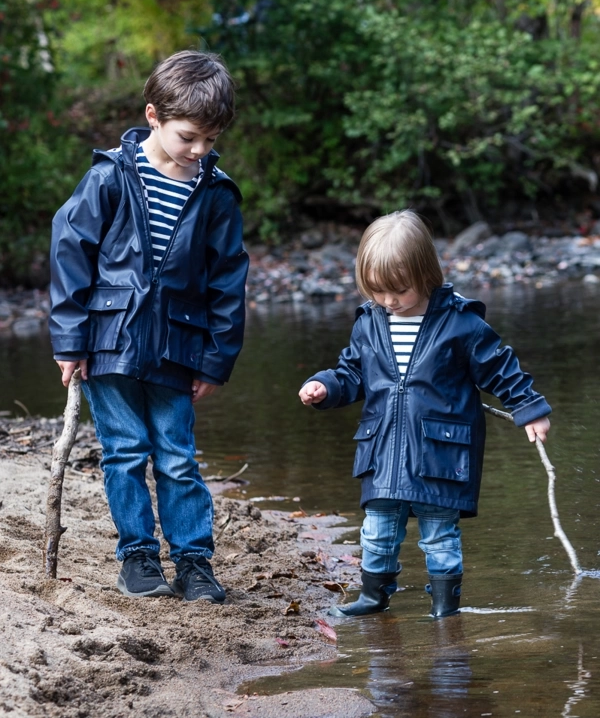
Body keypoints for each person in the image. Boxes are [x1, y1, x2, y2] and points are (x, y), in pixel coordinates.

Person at [50, 50, 249, 602]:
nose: (200, 150)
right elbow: (71, 253)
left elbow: (228, 280)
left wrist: (215, 358)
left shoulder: (215, 193)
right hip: (108, 340)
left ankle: (193, 562)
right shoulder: (110, 175)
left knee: (178, 457)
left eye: (211, 140)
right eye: (189, 137)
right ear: (154, 116)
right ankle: (138, 558)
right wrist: (70, 341)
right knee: (125, 450)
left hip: (177, 345)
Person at [299, 210, 551, 618]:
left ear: (425, 272)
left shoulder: (460, 324)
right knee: (377, 531)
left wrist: (529, 408)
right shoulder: (369, 324)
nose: (388, 301)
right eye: (377, 291)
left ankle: (444, 606)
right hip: (382, 450)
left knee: (439, 536)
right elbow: (352, 372)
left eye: (398, 290)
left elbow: (500, 367)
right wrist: (325, 386)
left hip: (440, 453)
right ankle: (374, 595)